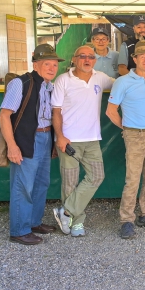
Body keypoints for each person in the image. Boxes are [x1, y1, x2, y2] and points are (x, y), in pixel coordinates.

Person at [0, 44, 63, 245]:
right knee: (23, 186)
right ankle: (19, 230)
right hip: (27, 138)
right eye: (47, 64)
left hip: (44, 137)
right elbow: (4, 115)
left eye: (54, 64)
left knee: (41, 183)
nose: (52, 68)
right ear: (36, 64)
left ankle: (33, 222)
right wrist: (12, 145)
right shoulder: (21, 83)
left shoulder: (49, 86)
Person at [51, 45, 114, 237]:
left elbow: (121, 85)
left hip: (92, 139)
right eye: (82, 56)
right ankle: (76, 223)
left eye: (91, 57)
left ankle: (67, 212)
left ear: (95, 60)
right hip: (69, 141)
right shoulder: (63, 80)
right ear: (74, 58)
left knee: (97, 176)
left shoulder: (100, 77)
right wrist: (60, 137)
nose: (87, 60)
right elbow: (56, 112)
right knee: (69, 183)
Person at [106, 40, 145, 239]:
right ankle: (126, 220)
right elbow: (111, 111)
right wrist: (128, 128)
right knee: (133, 179)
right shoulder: (123, 81)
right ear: (135, 59)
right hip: (135, 135)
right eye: (143, 56)